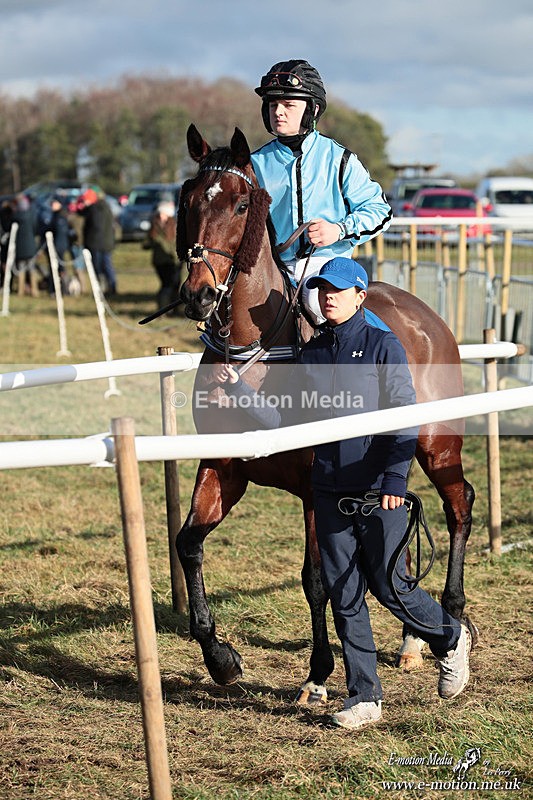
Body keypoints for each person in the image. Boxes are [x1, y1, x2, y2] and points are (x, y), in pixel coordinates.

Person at [213, 257, 472, 731]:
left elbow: (402, 415)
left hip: (378, 491)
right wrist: (242, 395)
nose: (327, 296)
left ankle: (450, 637)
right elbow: (285, 421)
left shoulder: (383, 346)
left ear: (358, 296)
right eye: (322, 290)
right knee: (345, 594)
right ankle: (365, 695)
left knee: (391, 587)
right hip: (330, 489)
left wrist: (396, 480)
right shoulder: (312, 356)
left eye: (338, 290)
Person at [251, 59, 392, 325]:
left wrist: (338, 230)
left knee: (316, 306)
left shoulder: (340, 159)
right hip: (268, 267)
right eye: (272, 105)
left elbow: (381, 211)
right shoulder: (254, 163)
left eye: (288, 105)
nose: (278, 112)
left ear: (312, 109)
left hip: (326, 265)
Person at [142, 201, 181, 311]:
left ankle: (176, 309)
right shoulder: (154, 225)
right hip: (160, 261)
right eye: (159, 213)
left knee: (175, 285)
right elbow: (145, 244)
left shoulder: (175, 226)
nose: (161, 215)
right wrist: (153, 242)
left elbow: (177, 243)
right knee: (166, 285)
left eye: (163, 213)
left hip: (174, 260)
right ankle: (163, 309)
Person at [78, 187, 117, 295]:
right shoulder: (106, 207)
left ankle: (103, 288)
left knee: (98, 267)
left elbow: (95, 227)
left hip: (96, 244)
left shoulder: (94, 209)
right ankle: (111, 286)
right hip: (107, 242)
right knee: (107, 266)